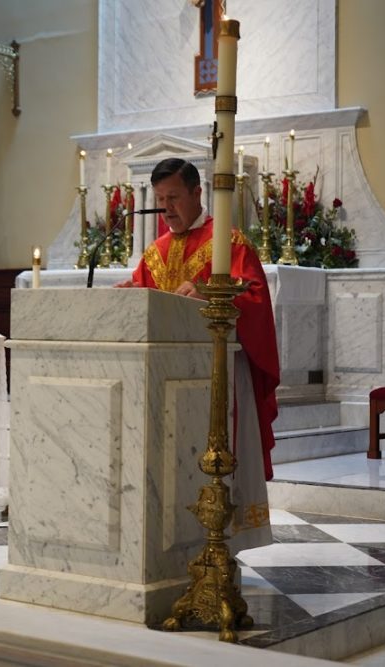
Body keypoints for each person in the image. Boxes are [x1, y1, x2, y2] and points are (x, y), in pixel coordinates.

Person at [115, 157, 280, 549]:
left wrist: (208, 291)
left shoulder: (227, 242)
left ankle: (223, 544)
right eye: (160, 198)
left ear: (196, 193)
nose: (166, 207)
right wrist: (130, 295)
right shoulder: (154, 252)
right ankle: (176, 541)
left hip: (220, 374)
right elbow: (147, 300)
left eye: (173, 197)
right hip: (167, 380)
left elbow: (255, 298)